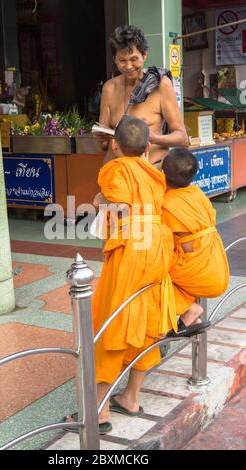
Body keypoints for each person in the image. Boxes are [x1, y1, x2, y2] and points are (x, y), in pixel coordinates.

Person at [89, 115, 177, 433]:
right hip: (157, 248)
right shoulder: (154, 174)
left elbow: (121, 205)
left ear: (115, 145)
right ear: (149, 146)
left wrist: (101, 202)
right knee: (146, 320)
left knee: (114, 324)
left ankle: (97, 413)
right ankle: (131, 398)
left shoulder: (114, 168)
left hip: (132, 252)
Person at [161, 148, 230, 337]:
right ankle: (193, 318)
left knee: (150, 271)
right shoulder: (197, 193)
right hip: (216, 261)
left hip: (197, 271)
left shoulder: (166, 203)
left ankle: (189, 310)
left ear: (162, 173)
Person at [97, 25, 188, 165]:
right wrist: (101, 137)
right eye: (122, 60)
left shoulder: (161, 85)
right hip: (117, 174)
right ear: (114, 59)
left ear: (144, 55)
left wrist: (153, 138)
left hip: (151, 170)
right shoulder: (109, 88)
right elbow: (103, 144)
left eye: (134, 59)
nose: (128, 66)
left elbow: (182, 138)